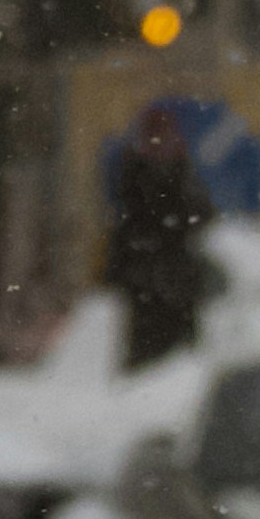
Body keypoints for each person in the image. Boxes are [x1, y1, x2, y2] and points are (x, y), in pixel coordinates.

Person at [104, 99, 219, 374]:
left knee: (172, 362)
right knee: (158, 360)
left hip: (165, 282)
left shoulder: (169, 173)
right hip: (156, 282)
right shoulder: (139, 175)